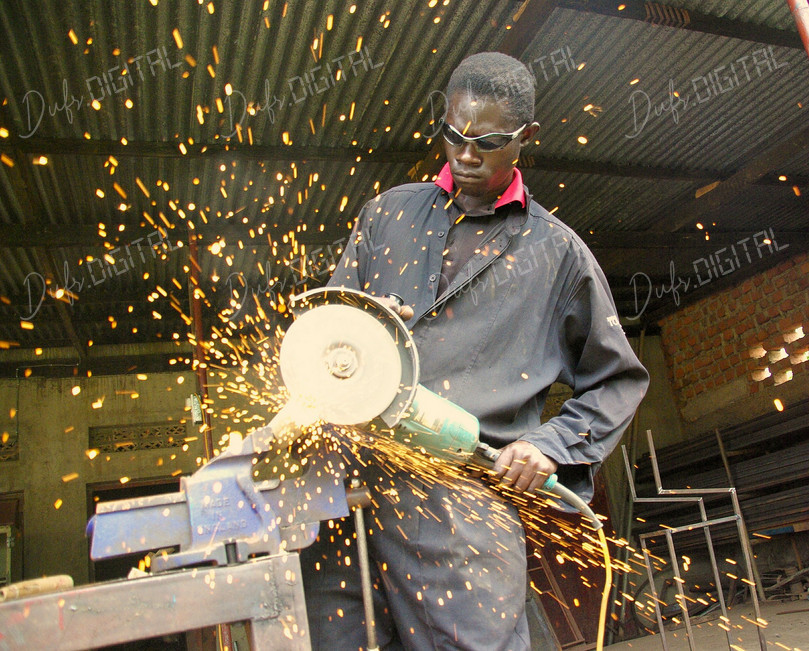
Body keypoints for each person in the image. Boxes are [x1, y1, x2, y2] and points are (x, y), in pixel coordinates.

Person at [300, 52, 649, 650]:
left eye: (487, 142)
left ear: (525, 139)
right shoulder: (386, 216)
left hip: (462, 510)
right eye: (454, 136)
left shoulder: (556, 255)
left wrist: (548, 445)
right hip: (349, 497)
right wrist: (365, 334)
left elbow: (616, 380)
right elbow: (328, 334)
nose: (464, 155)